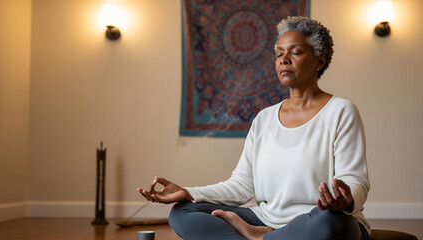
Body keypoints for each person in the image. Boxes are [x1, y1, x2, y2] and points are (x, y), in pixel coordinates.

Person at [137, 16, 370, 240]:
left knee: (331, 223)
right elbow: (242, 185)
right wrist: (189, 193)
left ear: (320, 60)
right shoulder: (264, 118)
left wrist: (345, 200)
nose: (284, 59)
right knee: (182, 213)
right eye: (279, 53)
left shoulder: (341, 111)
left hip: (315, 219)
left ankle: (264, 238)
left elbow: (354, 180)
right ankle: (266, 237)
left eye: (296, 52)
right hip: (264, 219)